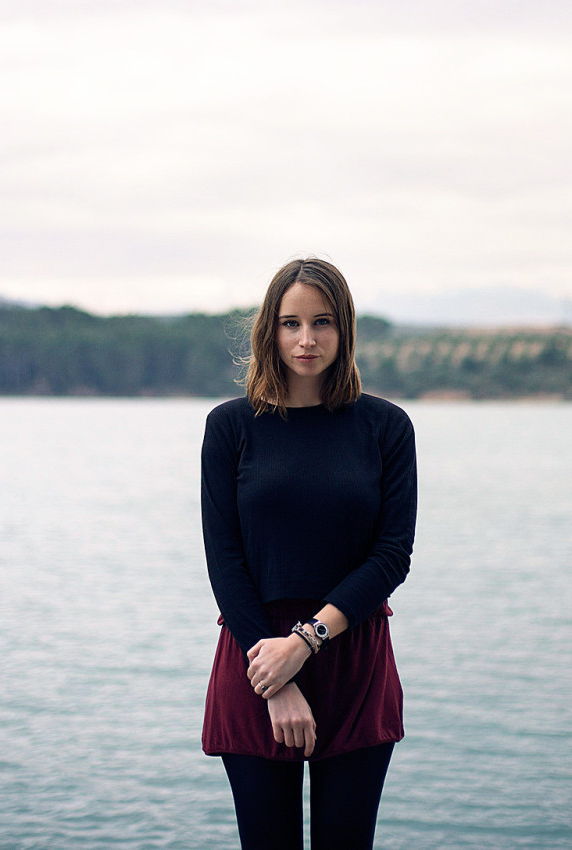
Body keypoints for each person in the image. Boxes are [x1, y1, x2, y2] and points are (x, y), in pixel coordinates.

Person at [201, 257, 418, 850]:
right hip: (256, 659)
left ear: (344, 329)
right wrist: (275, 674)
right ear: (269, 330)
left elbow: (392, 555)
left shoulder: (386, 427)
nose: (306, 339)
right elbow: (225, 561)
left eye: (322, 322)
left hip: (352, 659)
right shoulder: (230, 427)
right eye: (290, 323)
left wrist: (305, 643)